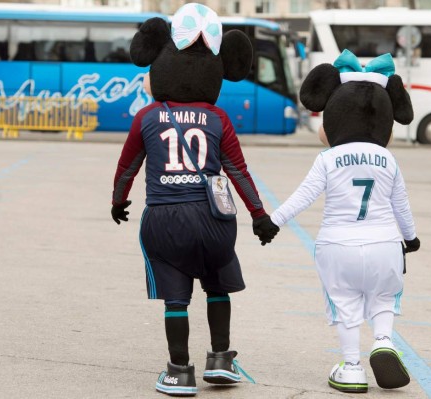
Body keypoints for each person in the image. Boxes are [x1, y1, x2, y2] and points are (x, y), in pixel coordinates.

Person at [111, 4, 279, 396]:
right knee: (216, 287)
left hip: (164, 220)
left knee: (176, 298)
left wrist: (118, 202)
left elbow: (126, 169)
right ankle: (221, 359)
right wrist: (259, 215)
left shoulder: (147, 118)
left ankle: (178, 371)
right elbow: (239, 172)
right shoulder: (219, 119)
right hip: (214, 220)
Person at [269, 50, 420, 393]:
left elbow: (303, 196)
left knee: (347, 306)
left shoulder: (329, 158)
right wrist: (410, 239)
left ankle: (351, 367)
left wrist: (271, 221)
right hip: (385, 244)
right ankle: (384, 341)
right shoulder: (388, 159)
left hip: (337, 246)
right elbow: (402, 206)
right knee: (383, 299)